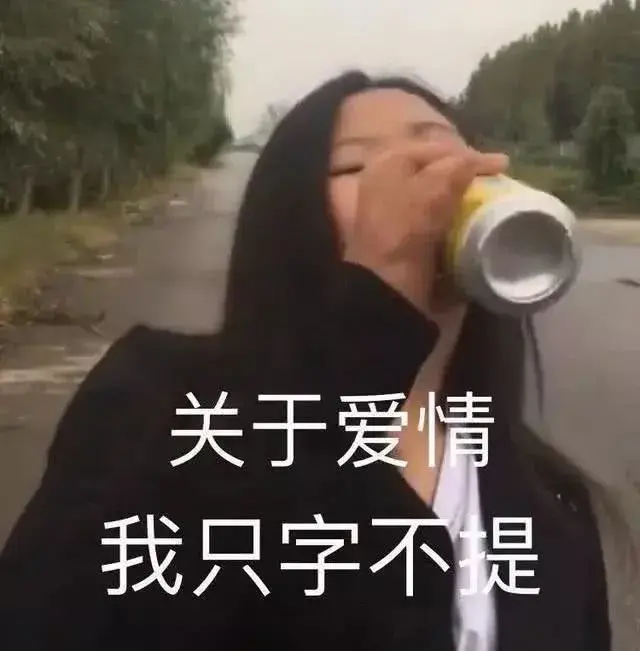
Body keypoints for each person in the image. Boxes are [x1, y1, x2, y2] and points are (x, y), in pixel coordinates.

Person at [0, 70, 614, 651]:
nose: (421, 178)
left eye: (442, 151)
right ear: (291, 219)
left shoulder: (548, 499)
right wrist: (368, 319)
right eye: (358, 165)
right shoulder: (159, 401)